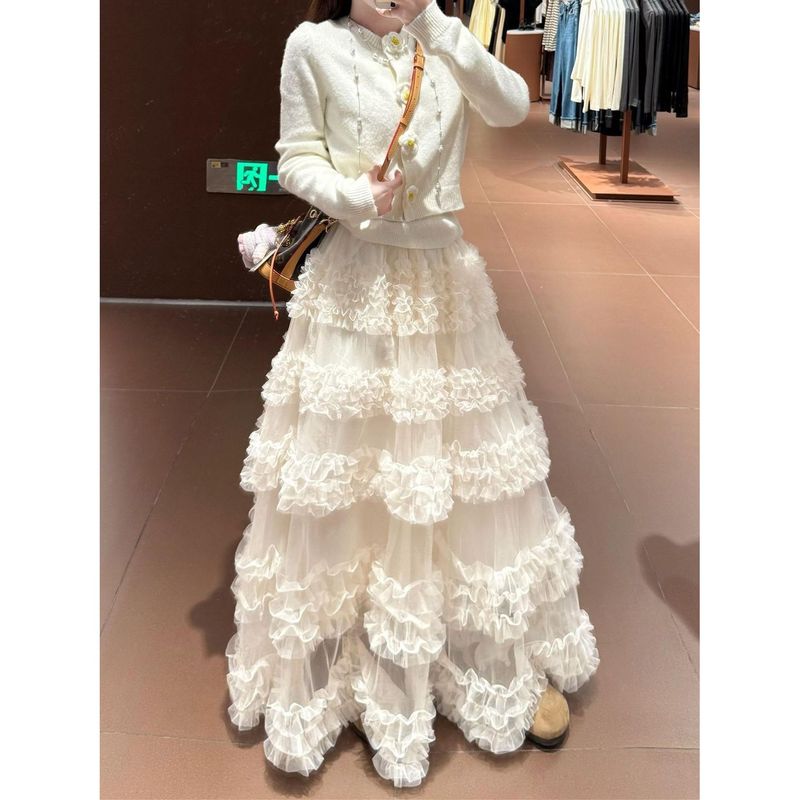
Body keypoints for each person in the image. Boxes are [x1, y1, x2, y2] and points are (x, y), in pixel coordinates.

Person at [229, 0, 599, 789]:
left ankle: (491, 657)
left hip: (443, 281)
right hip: (355, 284)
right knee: (354, 469)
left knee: (464, 469)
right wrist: (351, 195)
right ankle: (355, 655)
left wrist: (438, 26)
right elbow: (295, 157)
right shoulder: (313, 45)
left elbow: (510, 103)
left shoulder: (442, 39)